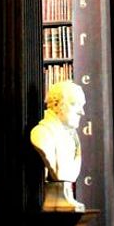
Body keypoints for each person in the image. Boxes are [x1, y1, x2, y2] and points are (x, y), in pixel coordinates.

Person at [30, 80, 86, 211]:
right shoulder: (41, 134)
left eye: (82, 106)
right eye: (74, 104)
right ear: (56, 105)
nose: (81, 112)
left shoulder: (72, 137)